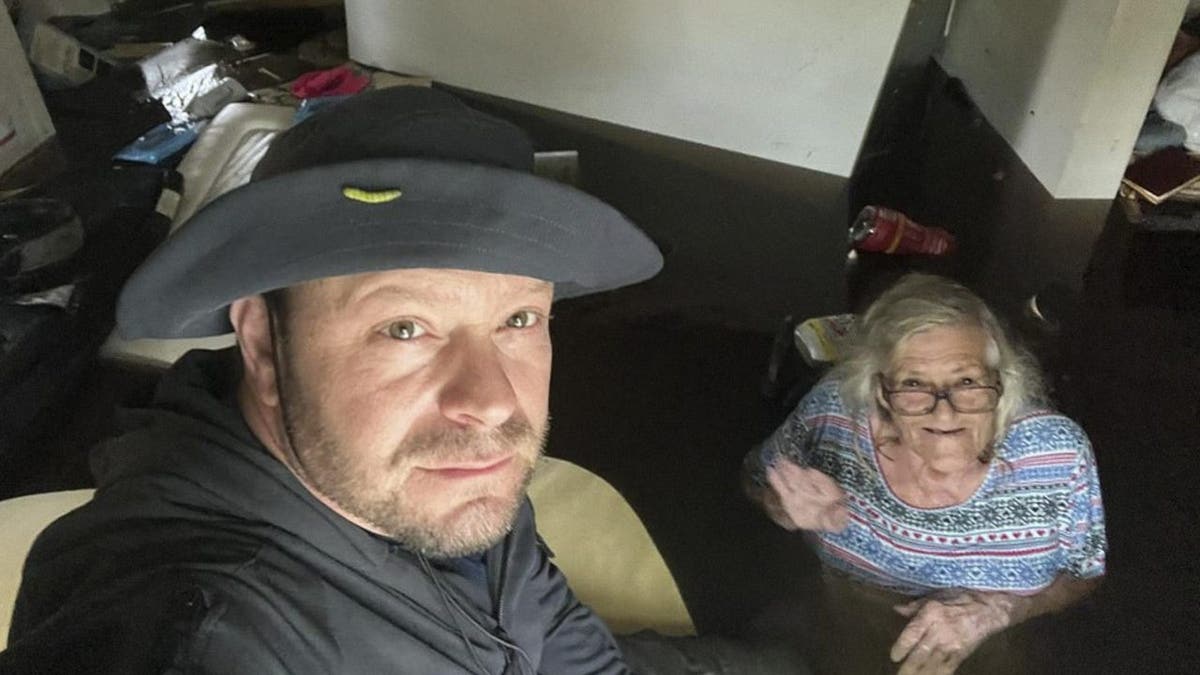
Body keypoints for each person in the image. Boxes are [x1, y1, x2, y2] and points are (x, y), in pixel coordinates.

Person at [2, 87, 665, 674]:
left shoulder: (440, 468)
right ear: (262, 342)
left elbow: (549, 619)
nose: (491, 402)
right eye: (406, 327)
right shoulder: (194, 631)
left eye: (518, 317)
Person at [743, 273, 1107, 675]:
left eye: (966, 381)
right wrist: (782, 506)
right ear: (881, 390)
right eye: (914, 384)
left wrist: (999, 610)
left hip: (1000, 648)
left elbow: (1084, 572)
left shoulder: (1056, 453)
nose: (945, 413)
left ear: (1001, 382)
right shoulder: (835, 413)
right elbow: (756, 477)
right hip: (848, 629)